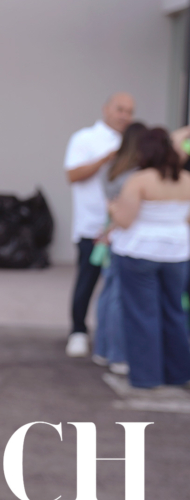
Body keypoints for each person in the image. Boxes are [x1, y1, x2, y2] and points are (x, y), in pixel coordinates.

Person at [108, 127, 190, 390]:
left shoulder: (139, 180)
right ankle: (178, 374)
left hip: (140, 252)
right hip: (177, 253)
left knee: (142, 315)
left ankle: (147, 376)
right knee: (174, 312)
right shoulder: (186, 180)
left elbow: (125, 220)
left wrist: (112, 207)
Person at [63, 93, 135, 357]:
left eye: (130, 111)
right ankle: (78, 332)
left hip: (123, 228)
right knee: (87, 280)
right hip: (92, 226)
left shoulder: (133, 142)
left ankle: (112, 340)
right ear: (106, 109)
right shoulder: (85, 138)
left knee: (118, 290)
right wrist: (107, 158)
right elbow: (73, 174)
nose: (125, 116)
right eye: (120, 109)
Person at [92, 121, 147, 375]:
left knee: (108, 293)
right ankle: (118, 355)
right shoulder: (137, 175)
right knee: (119, 297)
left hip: (110, 234)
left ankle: (103, 349)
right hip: (125, 236)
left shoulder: (112, 169)